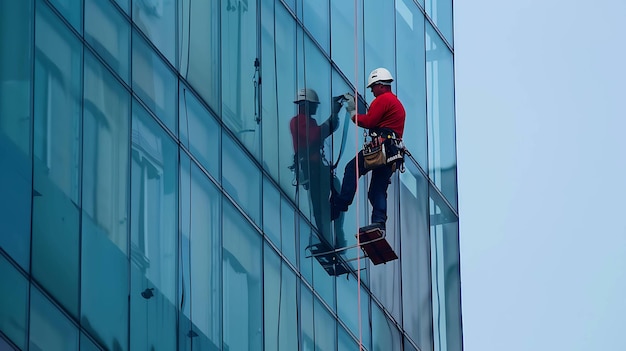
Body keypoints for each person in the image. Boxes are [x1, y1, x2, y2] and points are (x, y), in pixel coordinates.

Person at [331, 68, 406, 231]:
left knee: (352, 168)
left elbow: (370, 121)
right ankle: (379, 223)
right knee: (376, 190)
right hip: (392, 153)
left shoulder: (383, 99)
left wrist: (352, 114)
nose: (371, 90)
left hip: (382, 147)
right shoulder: (396, 103)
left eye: (372, 87)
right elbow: (378, 121)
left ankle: (341, 203)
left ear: (380, 85)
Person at [289, 88, 346, 247]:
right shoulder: (298, 121)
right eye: (313, 105)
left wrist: (333, 117)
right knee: (320, 205)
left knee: (334, 193)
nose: (316, 108)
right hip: (312, 168)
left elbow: (319, 132)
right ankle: (326, 239)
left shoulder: (307, 121)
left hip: (316, 167)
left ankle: (333, 235)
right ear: (305, 104)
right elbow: (315, 136)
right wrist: (333, 117)